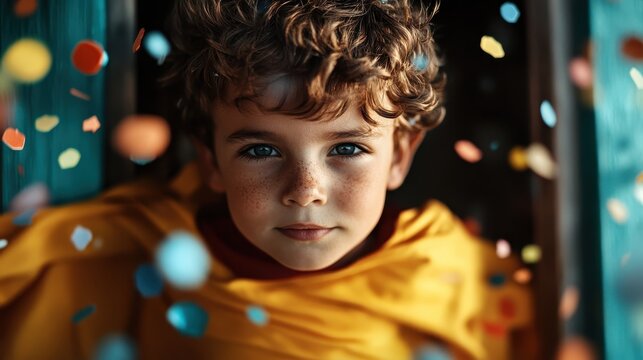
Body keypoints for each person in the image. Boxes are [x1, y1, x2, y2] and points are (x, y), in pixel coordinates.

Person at [0, 0, 536, 359]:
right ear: (209, 158)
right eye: (260, 150)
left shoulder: (454, 278)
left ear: (400, 155)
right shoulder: (132, 258)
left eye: (348, 148)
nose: (306, 189)